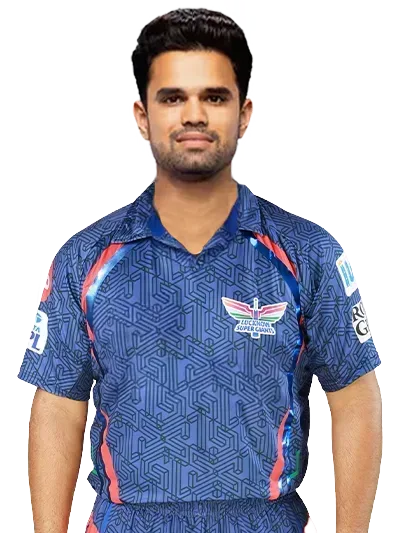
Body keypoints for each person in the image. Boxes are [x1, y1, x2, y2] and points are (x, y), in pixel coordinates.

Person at [17, 7, 382, 533]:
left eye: (214, 97)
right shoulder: (86, 259)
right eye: (173, 98)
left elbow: (354, 397)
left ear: (245, 113)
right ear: (142, 115)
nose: (194, 115)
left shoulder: (308, 255)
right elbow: (58, 406)